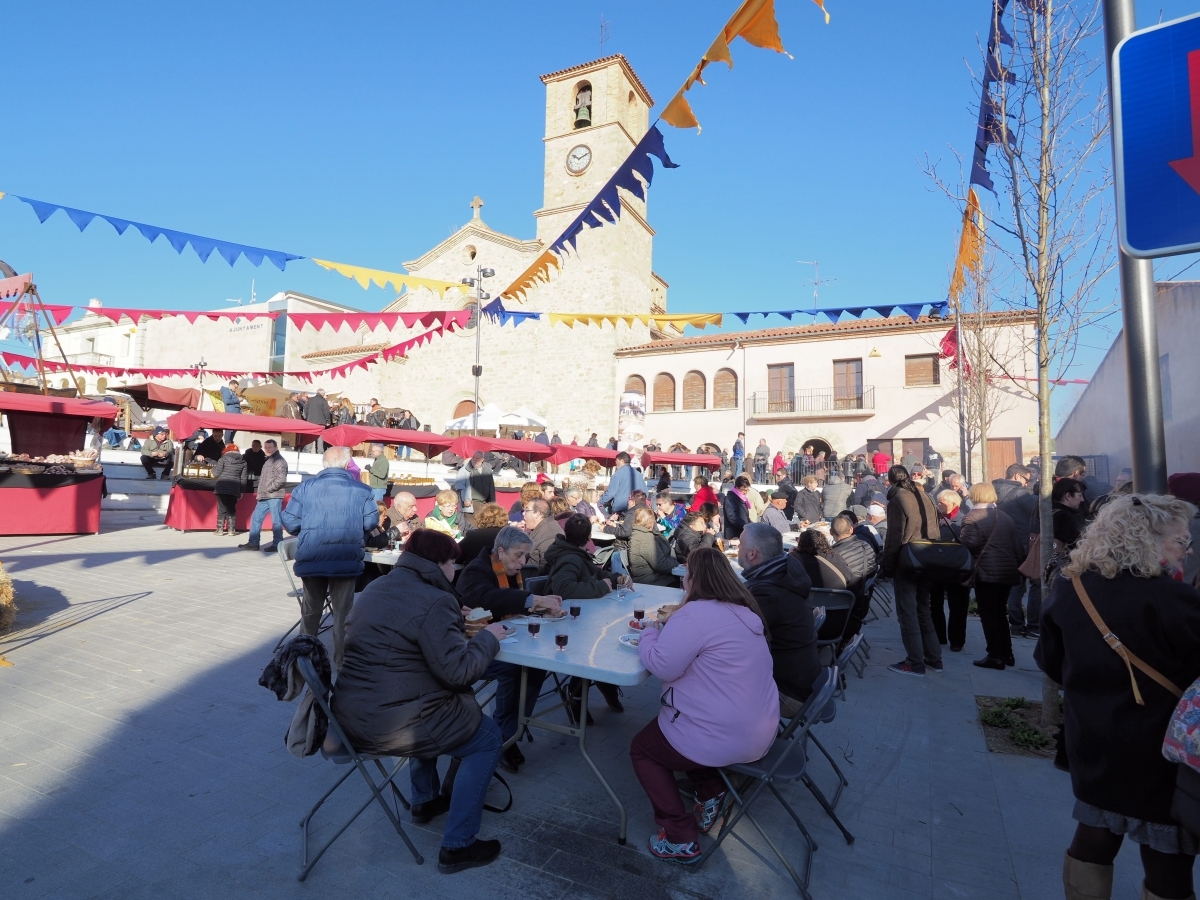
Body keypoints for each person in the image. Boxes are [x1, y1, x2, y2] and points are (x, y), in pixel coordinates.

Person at [1036, 494, 1200, 900]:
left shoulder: (1071, 586)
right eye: (1181, 540)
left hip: (1093, 738)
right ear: (1146, 540)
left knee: (1093, 837)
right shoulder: (1175, 600)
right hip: (1160, 750)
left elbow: (1050, 663)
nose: (1188, 549)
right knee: (1167, 860)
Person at [332, 529, 506, 874]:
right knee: (487, 738)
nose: (455, 571)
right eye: (453, 563)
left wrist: (452, 616)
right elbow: (458, 674)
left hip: (350, 715)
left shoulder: (374, 588)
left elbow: (400, 643)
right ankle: (459, 846)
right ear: (439, 564)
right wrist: (488, 638)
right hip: (392, 724)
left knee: (431, 706)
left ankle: (424, 801)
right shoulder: (434, 600)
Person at [630, 547, 779, 862]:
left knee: (644, 749)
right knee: (689, 728)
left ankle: (679, 836)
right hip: (762, 729)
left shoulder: (695, 613)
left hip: (725, 735)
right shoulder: (746, 611)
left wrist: (649, 633)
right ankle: (711, 795)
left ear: (692, 578)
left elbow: (663, 665)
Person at [457, 525, 564, 772]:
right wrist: (532, 600)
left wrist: (542, 606)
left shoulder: (509, 571)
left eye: (526, 556)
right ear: (501, 551)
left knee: (538, 666)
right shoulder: (478, 570)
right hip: (472, 648)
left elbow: (514, 603)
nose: (522, 562)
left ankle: (512, 732)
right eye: (519, 555)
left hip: (505, 641)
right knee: (513, 669)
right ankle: (504, 737)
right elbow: (487, 599)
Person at [280, 446, 377, 669]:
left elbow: (291, 521)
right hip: (346, 558)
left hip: (313, 558)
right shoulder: (362, 490)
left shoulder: (305, 488)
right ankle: (342, 665)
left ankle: (304, 663)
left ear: (323, 465)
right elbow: (371, 523)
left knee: (311, 613)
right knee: (343, 615)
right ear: (346, 464)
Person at [738, 523, 819, 711]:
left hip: (789, 693)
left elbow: (732, 635)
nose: (737, 548)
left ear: (752, 554)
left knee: (707, 681)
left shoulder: (769, 593)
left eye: (740, 545)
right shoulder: (783, 574)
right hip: (802, 680)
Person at [881, 465, 943, 677]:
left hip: (908, 560)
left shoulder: (898, 499)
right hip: (928, 557)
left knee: (908, 613)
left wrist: (887, 566)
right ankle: (933, 658)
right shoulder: (924, 496)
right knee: (922, 610)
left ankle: (915, 662)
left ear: (889, 481)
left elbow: (894, 537)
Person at [960, 482, 1027, 671]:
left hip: (986, 573)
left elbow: (969, 544)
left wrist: (959, 535)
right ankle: (1007, 653)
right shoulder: (1005, 517)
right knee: (1000, 613)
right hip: (1007, 572)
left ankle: (995, 656)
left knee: (989, 615)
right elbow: (1017, 547)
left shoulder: (972, 517)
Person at [929, 490, 970, 652]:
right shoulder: (934, 519)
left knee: (958, 605)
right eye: (938, 502)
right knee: (936, 603)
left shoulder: (963, 520)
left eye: (942, 502)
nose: (938, 505)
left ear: (954, 504)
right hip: (937, 567)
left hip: (956, 567)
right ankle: (939, 636)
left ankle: (957, 641)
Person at [830, 514, 879, 645]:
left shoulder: (834, 556)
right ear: (851, 529)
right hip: (861, 603)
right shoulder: (866, 546)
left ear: (831, 533)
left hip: (843, 611)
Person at [240, 439, 289, 552]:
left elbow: (281, 479)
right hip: (265, 496)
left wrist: (268, 489)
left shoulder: (279, 461)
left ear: (276, 448)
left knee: (276, 520)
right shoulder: (268, 460)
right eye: (266, 447)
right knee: (256, 517)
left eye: (270, 447)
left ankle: (277, 544)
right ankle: (253, 542)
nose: (267, 450)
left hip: (274, 495)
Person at [629, 506, 679, 587]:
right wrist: (678, 564)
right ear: (651, 522)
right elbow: (661, 565)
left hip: (658, 577)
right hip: (652, 581)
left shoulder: (645, 534)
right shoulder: (645, 539)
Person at [211, 443, 247, 536]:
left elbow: (216, 474)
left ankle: (219, 530)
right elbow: (243, 479)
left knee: (222, 508)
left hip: (222, 487)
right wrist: (241, 490)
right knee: (232, 509)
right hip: (234, 488)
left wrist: (212, 470)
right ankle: (231, 530)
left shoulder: (223, 459)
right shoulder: (243, 462)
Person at [522, 498, 563, 571]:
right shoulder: (541, 528)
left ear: (538, 513)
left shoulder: (550, 532)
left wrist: (533, 580)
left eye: (527, 510)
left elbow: (548, 565)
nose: (523, 513)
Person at [722, 475, 753, 540]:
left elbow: (745, 516)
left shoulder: (743, 499)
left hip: (742, 531)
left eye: (746, 490)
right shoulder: (730, 498)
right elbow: (732, 517)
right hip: (734, 534)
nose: (745, 492)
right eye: (743, 490)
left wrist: (752, 525)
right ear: (737, 487)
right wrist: (746, 526)